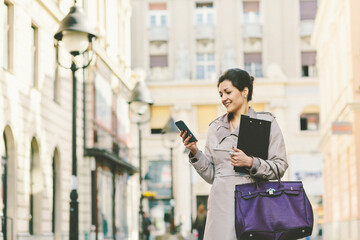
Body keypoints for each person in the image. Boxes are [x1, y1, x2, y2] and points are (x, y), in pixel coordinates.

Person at [180, 68, 288, 240]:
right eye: (220, 94)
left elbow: (280, 166)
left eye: (228, 92)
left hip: (254, 204)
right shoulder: (215, 127)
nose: (223, 99)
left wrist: (251, 162)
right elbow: (212, 175)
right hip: (221, 207)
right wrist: (194, 152)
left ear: (245, 91)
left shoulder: (266, 122)